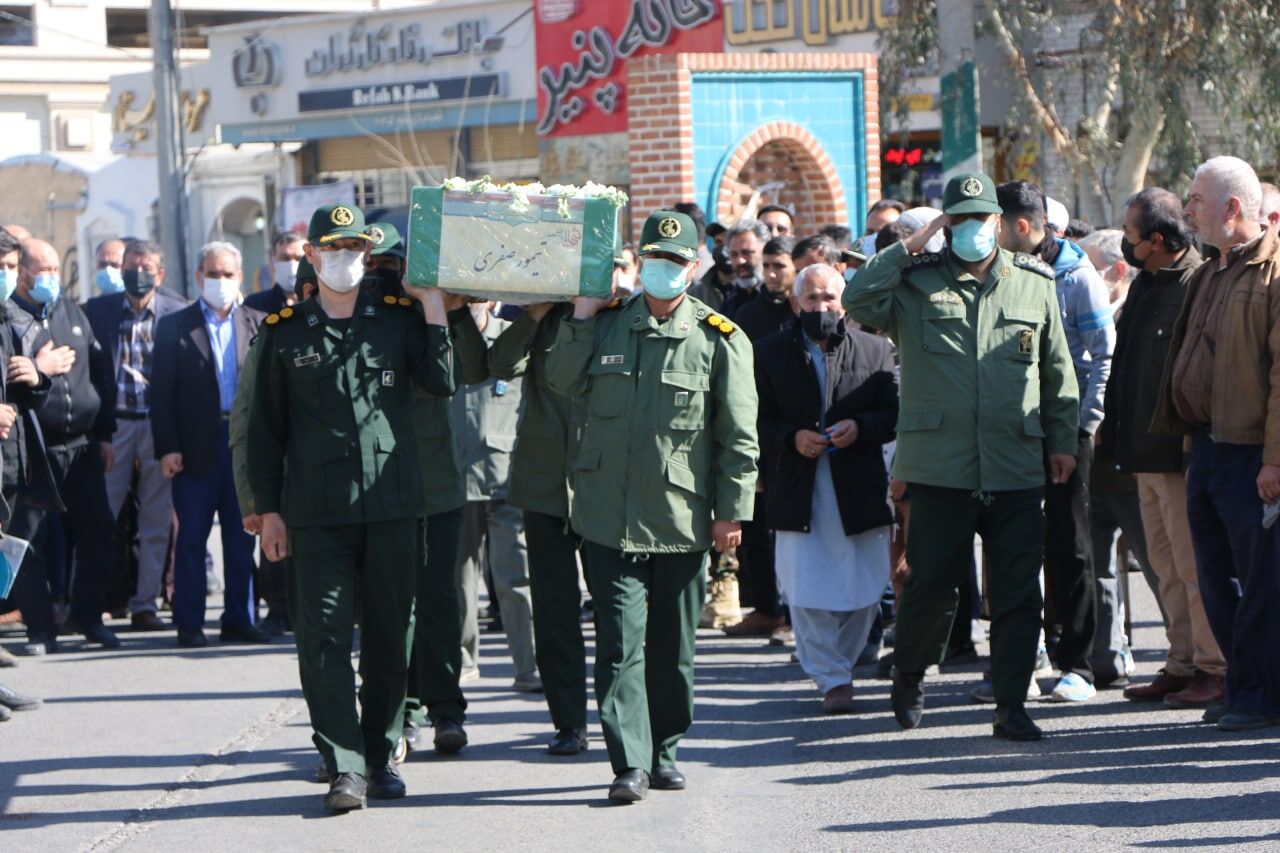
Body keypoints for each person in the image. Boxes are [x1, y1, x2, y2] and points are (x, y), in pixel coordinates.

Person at [844, 173, 1079, 741]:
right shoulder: (914, 284)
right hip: (939, 465)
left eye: (982, 218)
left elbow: (1057, 369)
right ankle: (910, 671)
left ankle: (1011, 703)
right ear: (947, 225)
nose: (973, 229)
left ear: (999, 223)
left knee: (1020, 590)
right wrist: (912, 244)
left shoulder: (1034, 283)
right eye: (961, 219)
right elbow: (856, 300)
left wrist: (1063, 442)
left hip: (1014, 462)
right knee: (931, 584)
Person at [248, 202, 455, 811]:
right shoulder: (284, 333)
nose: (345, 260)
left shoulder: (397, 318)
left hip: (391, 506)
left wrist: (434, 304)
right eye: (333, 250)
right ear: (311, 256)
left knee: (392, 637)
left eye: (356, 250)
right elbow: (264, 431)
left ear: (370, 255)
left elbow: (441, 381)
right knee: (326, 641)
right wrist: (270, 512)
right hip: (316, 514)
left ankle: (382, 751)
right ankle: (343, 764)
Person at [546, 209, 759, 802]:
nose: (662, 270)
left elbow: (738, 435)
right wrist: (581, 318)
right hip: (606, 515)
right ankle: (629, 761)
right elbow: (559, 380)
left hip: (682, 517)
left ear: (693, 267)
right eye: (653, 260)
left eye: (674, 261)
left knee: (673, 649)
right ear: (638, 264)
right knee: (617, 645)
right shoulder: (606, 324)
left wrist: (732, 510)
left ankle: (665, 748)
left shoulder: (720, 338)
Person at [1153, 156, 1280, 732]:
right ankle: (1241, 685)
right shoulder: (1210, 271)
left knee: (1259, 582)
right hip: (1204, 448)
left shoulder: (1273, 274)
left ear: (1233, 207)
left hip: (1251, 453)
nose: (1187, 208)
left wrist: (1274, 459)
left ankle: (1258, 698)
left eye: (1196, 197)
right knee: (1216, 578)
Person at [756, 263, 898, 714]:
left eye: (830, 298)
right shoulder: (768, 353)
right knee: (805, 586)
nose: (822, 307)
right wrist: (790, 437)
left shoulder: (876, 351)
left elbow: (893, 415)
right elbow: (753, 420)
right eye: (812, 299)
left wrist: (860, 426)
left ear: (844, 303)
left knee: (866, 585)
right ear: (796, 303)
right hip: (798, 487)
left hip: (858, 486)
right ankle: (832, 678)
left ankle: (844, 662)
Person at [1104, 189, 1226, 707]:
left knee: (1194, 567)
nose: (1126, 246)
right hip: (1141, 453)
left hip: (1178, 456)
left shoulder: (1198, 283)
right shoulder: (1147, 283)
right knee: (1165, 567)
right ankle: (1180, 662)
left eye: (1131, 237)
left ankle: (1214, 668)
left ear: (1157, 240)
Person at [361, 221, 477, 756]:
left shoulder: (430, 316)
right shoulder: (353, 322)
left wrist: (446, 305)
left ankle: (445, 709)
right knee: (391, 610)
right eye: (373, 267)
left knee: (440, 606)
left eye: (392, 267)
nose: (382, 278)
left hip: (438, 486)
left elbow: (469, 369)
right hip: (381, 491)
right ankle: (400, 712)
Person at [997, 180, 1114, 704]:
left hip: (1069, 431)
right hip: (1016, 430)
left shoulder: (1076, 276)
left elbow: (1102, 356)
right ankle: (1025, 659)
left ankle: (1080, 665)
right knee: (1019, 544)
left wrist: (1083, 426)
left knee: (1072, 545)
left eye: (993, 225)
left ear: (1021, 225)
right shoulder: (1006, 273)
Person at [487, 298, 590, 756]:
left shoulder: (618, 314)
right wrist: (533, 313)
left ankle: (622, 720)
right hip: (545, 483)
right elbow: (500, 364)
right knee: (554, 611)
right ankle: (568, 722)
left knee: (618, 612)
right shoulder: (535, 318)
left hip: (605, 483)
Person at [150, 242, 267, 647]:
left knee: (241, 537)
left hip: (243, 445)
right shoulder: (174, 326)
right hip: (195, 446)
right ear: (199, 277)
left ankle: (240, 618)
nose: (220, 282)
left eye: (228, 274)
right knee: (192, 539)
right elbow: (161, 393)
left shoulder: (259, 323)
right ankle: (190, 622)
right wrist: (167, 446)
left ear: (240, 277)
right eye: (212, 274)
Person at [7, 238, 120, 654]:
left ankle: (87, 615)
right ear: (22, 273)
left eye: (56, 269)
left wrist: (104, 435)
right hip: (35, 448)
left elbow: (101, 375)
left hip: (83, 446)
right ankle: (40, 627)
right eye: (44, 270)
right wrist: (39, 369)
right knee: (26, 541)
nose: (51, 277)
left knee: (99, 533)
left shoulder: (74, 313)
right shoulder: (12, 318)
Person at [84, 239, 187, 632]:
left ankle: (145, 604)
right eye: (130, 267)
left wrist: (173, 439)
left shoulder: (177, 313)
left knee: (157, 521)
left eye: (145, 269)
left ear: (160, 274)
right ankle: (90, 605)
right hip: (116, 427)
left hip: (158, 428)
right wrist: (100, 432)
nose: (136, 275)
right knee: (101, 519)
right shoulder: (99, 311)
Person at [449, 301, 537, 692]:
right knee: (459, 580)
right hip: (455, 477)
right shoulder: (444, 337)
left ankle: (528, 666)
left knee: (516, 578)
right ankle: (464, 660)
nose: (471, 302)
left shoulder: (511, 338)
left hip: (506, 480)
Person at [721, 234, 798, 641]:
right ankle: (767, 607)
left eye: (779, 266)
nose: (770, 274)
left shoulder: (805, 311)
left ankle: (793, 610)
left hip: (794, 433)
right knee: (757, 526)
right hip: (755, 432)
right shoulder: (747, 315)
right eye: (766, 266)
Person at [720, 218, 770, 319]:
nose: (740, 261)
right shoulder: (729, 303)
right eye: (734, 254)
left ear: (765, 252)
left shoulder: (777, 297)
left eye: (746, 253)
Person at [245, 232, 306, 315]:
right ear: (272, 261)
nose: (292, 265)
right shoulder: (254, 306)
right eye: (285, 258)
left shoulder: (323, 303)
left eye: (299, 258)